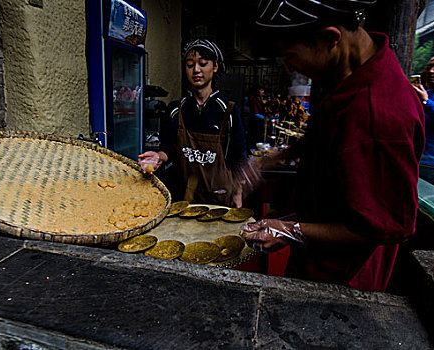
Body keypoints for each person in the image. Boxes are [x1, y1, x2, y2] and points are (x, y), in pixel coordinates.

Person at [241, 0, 425, 292]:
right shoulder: (338, 74)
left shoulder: (380, 115)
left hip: (344, 281)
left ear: (330, 38)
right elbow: (322, 136)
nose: (289, 68)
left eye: (289, 57)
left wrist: (291, 231)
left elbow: (384, 225)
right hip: (311, 258)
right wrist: (269, 163)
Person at [138, 39, 247, 207]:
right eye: (190, 65)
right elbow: (168, 150)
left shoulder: (229, 111)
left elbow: (239, 157)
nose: (196, 70)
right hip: (183, 199)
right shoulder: (176, 110)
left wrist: (238, 192)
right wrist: (158, 156)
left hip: (219, 198)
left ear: (215, 66)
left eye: (203, 64)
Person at [412, 57, 434, 184]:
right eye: (429, 68)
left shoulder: (425, 97)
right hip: (418, 158)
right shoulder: (425, 93)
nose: (431, 71)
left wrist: (426, 101)